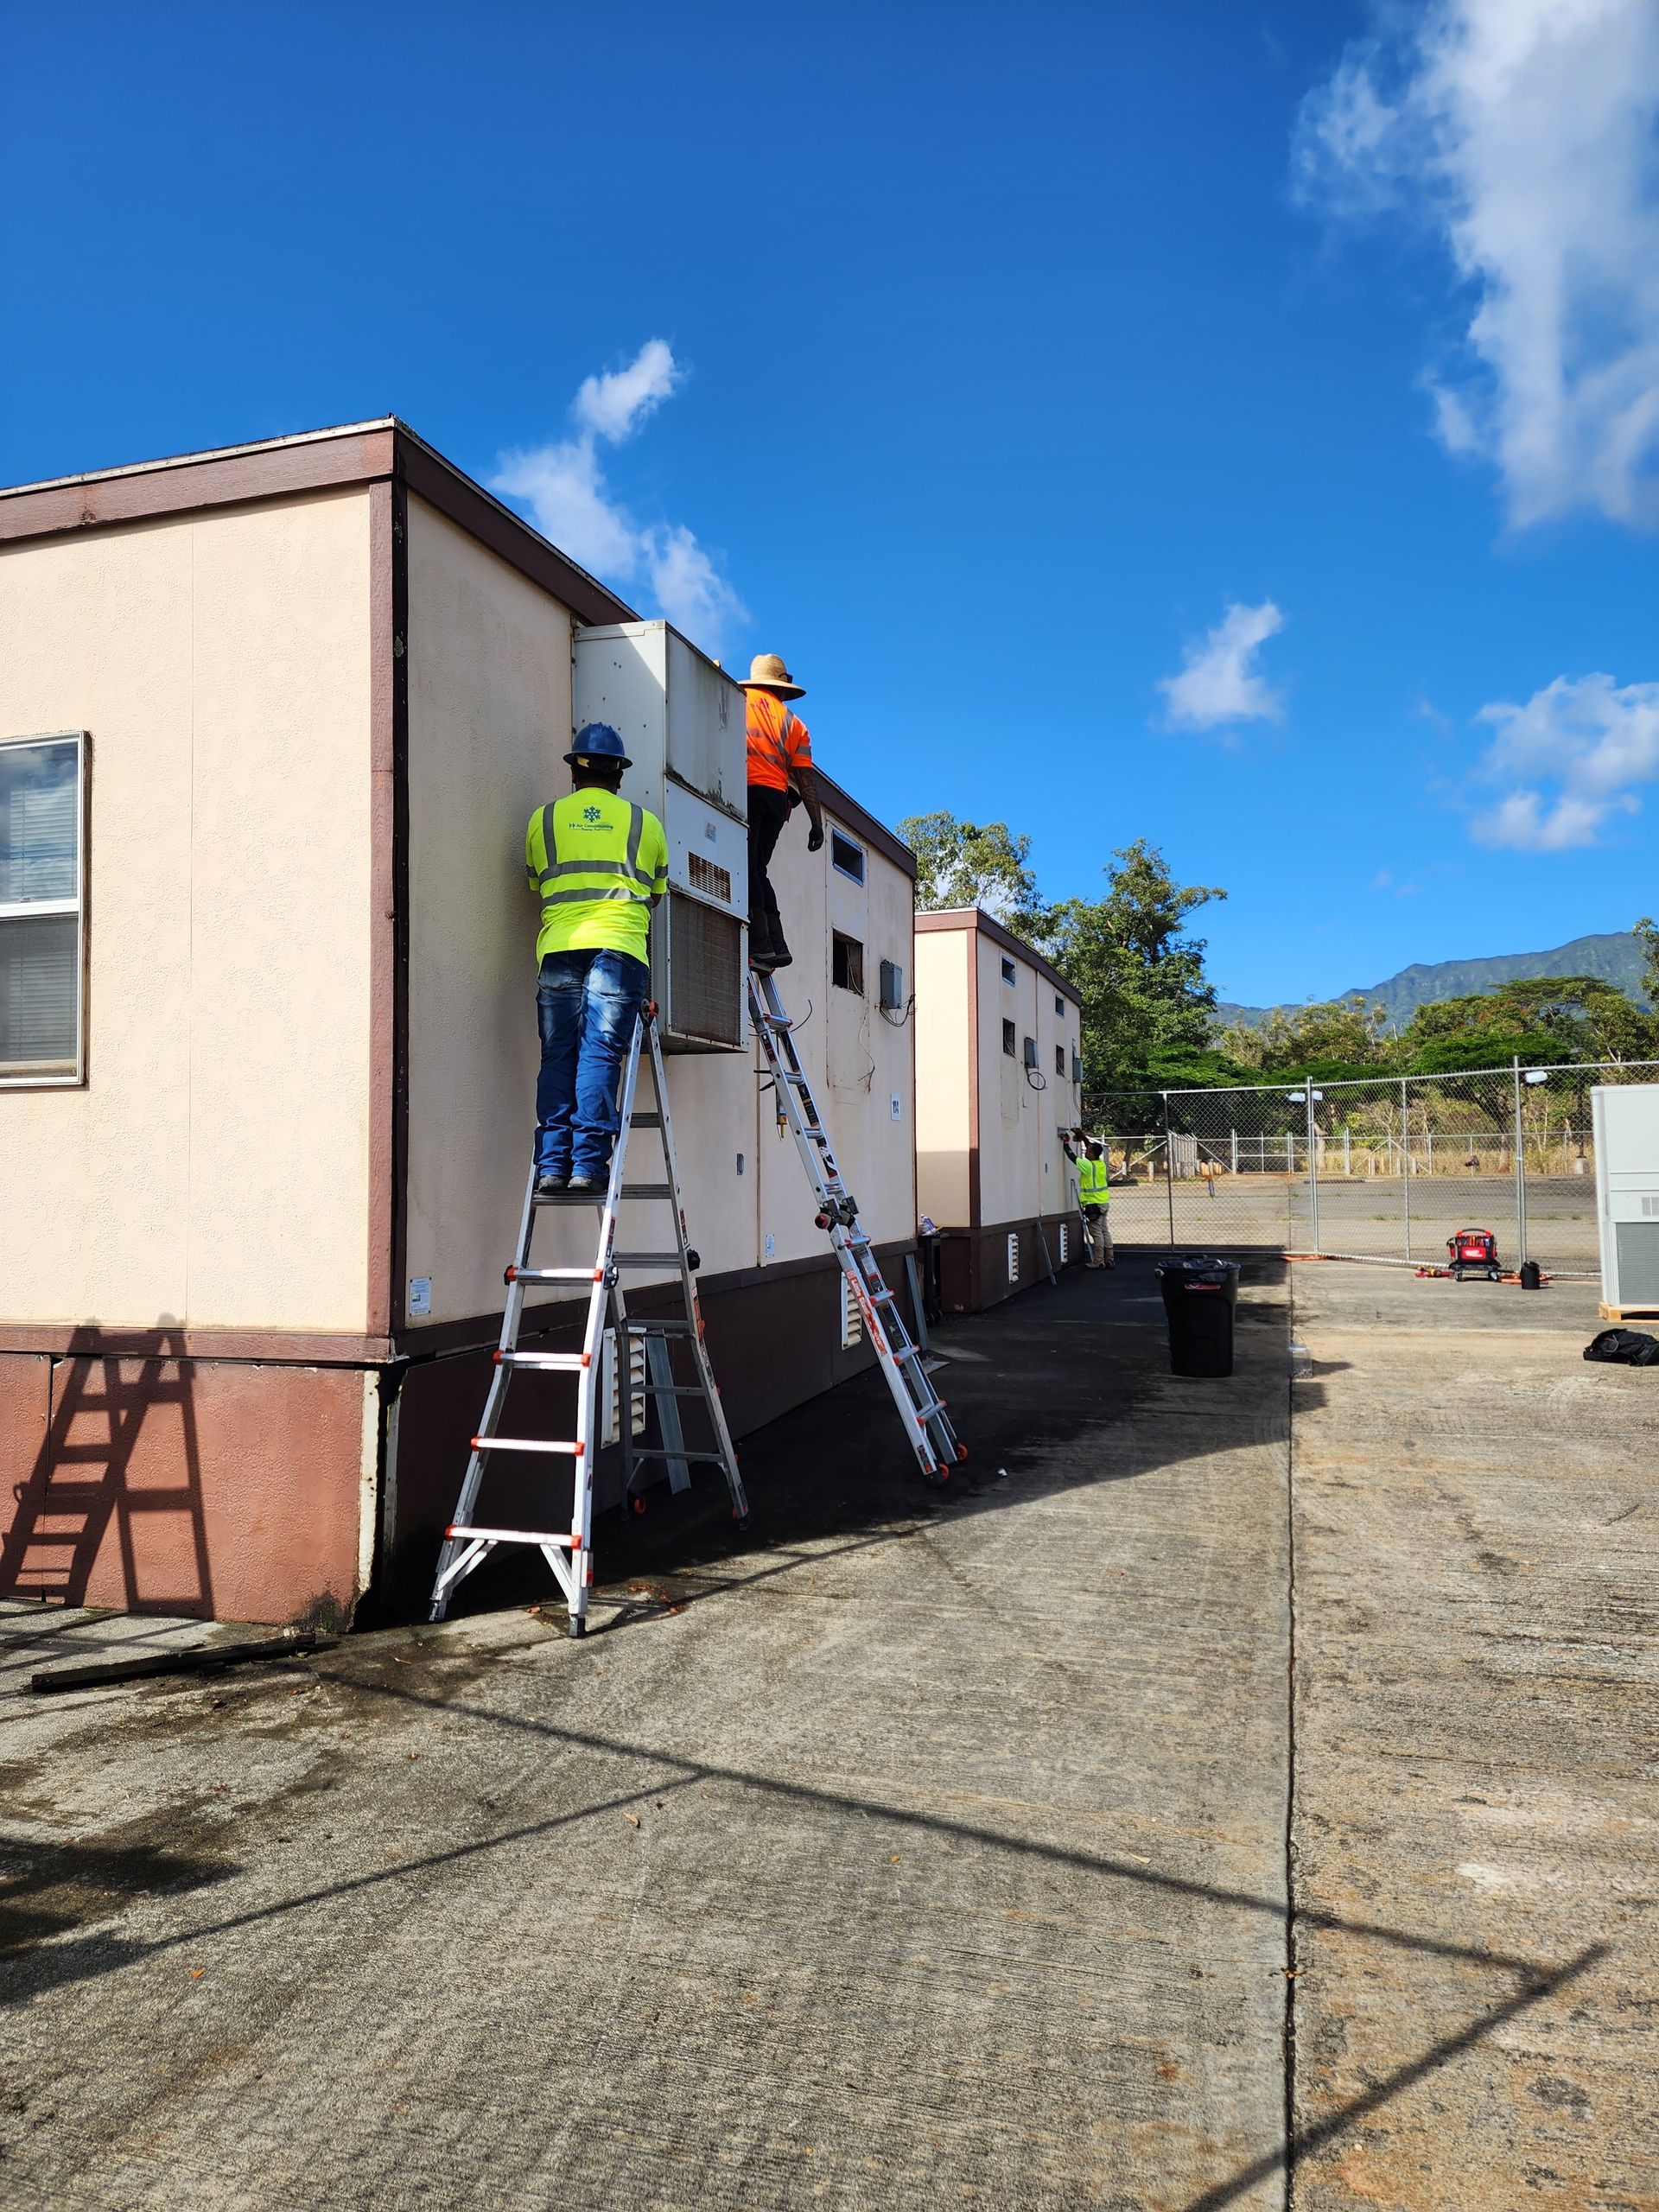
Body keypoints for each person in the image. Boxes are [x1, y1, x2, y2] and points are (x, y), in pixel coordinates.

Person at [524, 722, 668, 1197]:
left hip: (559, 948)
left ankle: (552, 1165)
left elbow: (536, 882)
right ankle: (587, 1165)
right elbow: (656, 894)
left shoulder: (543, 820)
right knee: (600, 1052)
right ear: (619, 774)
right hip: (619, 950)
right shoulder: (646, 825)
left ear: (574, 771)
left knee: (558, 1054)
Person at [741, 652, 823, 971]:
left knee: (747, 869)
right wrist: (816, 824)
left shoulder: (738, 700)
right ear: (781, 686)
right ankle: (778, 944)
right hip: (777, 799)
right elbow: (806, 780)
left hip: (747, 791)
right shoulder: (795, 724)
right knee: (758, 870)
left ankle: (761, 945)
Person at [1065, 1128, 1115, 1269]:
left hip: (1093, 1204)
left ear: (1092, 1154)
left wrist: (1066, 1144)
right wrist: (1084, 1138)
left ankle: (1098, 1261)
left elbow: (1072, 1157)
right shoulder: (1100, 1164)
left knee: (1096, 1233)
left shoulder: (1087, 1165)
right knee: (1104, 1231)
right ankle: (1109, 1259)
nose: (1086, 1151)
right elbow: (1092, 1149)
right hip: (1103, 1202)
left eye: (1088, 1150)